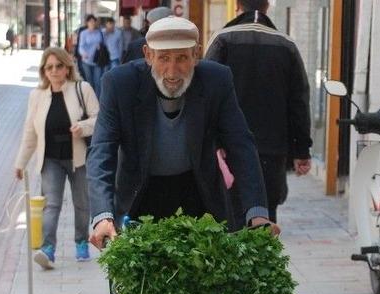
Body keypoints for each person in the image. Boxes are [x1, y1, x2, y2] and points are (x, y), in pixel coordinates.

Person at [86, 16, 277, 251]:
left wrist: (256, 213)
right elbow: (101, 150)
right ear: (148, 55)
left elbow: (241, 145)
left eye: (182, 58)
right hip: (140, 194)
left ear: (196, 55)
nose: (172, 71)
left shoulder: (217, 80)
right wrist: (102, 216)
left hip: (198, 192)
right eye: (164, 58)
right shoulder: (119, 84)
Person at [205, 0, 313, 225]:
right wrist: (301, 150)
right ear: (267, 7)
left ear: (237, 6)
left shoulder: (222, 40)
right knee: (266, 215)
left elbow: (206, 95)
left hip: (228, 148)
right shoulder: (286, 45)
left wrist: (209, 142)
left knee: (229, 215)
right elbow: (299, 102)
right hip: (272, 150)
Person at [14, 48, 99, 268]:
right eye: (49, 67)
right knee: (51, 204)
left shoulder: (82, 88)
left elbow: (99, 119)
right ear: (43, 71)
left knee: (82, 203)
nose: (54, 71)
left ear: (67, 68)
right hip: (50, 159)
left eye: (59, 66)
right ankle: (48, 249)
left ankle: (81, 242)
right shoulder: (37, 96)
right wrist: (21, 163)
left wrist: (82, 127)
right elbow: (30, 132)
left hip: (78, 157)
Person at [77, 15, 103, 93]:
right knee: (89, 81)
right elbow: (81, 46)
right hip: (86, 61)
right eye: (90, 22)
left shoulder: (99, 32)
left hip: (97, 60)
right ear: (87, 23)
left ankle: (97, 99)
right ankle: (90, 97)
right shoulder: (83, 33)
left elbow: (102, 43)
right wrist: (83, 53)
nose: (92, 23)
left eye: (94, 21)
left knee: (98, 82)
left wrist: (100, 46)